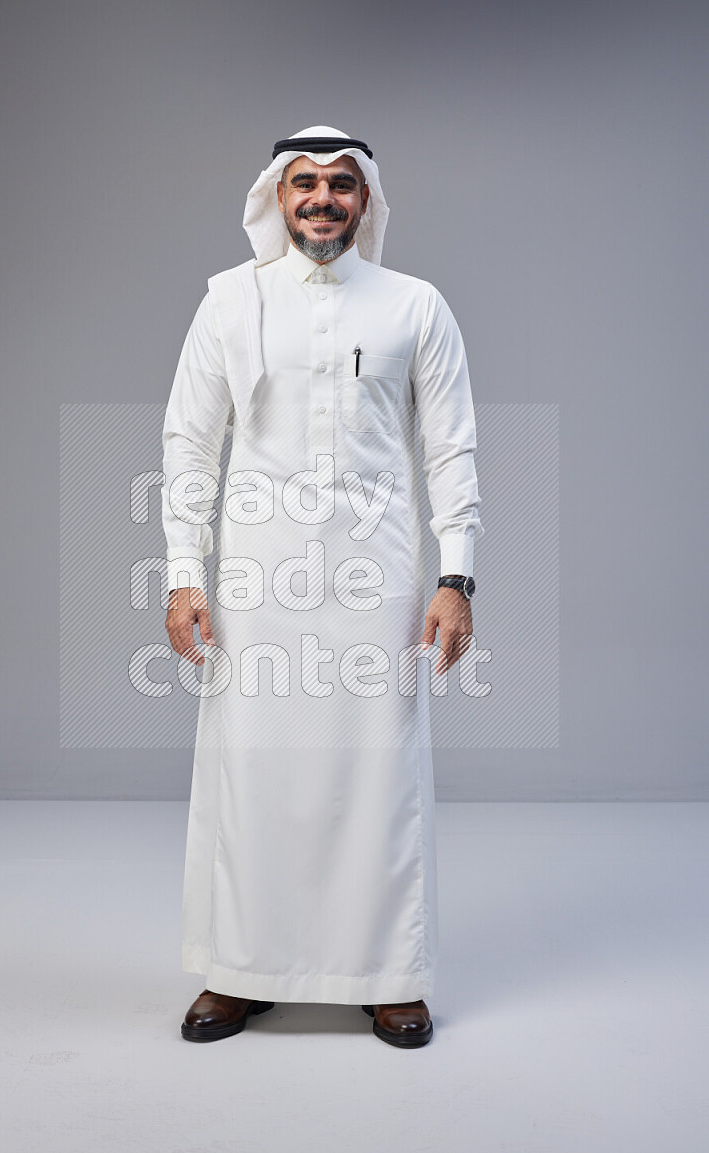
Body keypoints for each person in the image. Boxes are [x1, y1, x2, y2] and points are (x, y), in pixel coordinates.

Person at [161, 126, 483, 1048]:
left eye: (342, 185)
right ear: (276, 195)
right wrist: (186, 573)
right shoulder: (229, 302)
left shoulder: (415, 305)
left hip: (376, 571)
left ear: (367, 199)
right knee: (251, 764)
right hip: (257, 571)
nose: (323, 200)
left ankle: (390, 973)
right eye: (305, 184)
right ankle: (240, 971)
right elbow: (189, 441)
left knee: (379, 768)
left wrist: (456, 574)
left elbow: (451, 445)